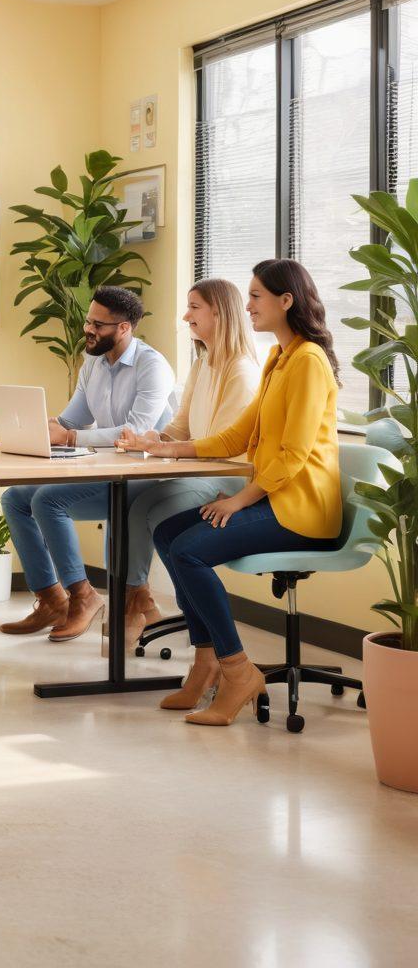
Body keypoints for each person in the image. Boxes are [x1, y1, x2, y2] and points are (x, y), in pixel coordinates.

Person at [148, 259, 342, 727]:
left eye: (255, 296)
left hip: (302, 510)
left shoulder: (309, 362)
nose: (248, 304)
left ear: (285, 301)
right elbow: (238, 436)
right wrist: (172, 450)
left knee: (190, 551)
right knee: (167, 533)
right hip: (274, 499)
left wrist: (239, 500)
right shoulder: (279, 358)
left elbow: (294, 454)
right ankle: (206, 661)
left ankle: (236, 671)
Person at [0, 286, 175, 642]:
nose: (88, 330)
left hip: (148, 473)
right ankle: (52, 600)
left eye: (98, 324)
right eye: (87, 321)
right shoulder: (93, 361)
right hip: (108, 469)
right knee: (16, 497)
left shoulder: (152, 366)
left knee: (48, 500)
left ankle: (84, 596)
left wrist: (70, 438)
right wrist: (41, 427)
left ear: (124, 328)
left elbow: (136, 432)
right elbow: (73, 420)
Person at [116, 279, 261, 644]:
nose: (185, 316)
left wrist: (168, 450)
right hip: (200, 470)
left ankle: (174, 607)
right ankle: (138, 598)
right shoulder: (203, 363)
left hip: (227, 478)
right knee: (136, 504)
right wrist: (152, 439)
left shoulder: (241, 371)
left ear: (218, 312)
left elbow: (225, 446)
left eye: (193, 307)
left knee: (151, 512)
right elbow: (181, 427)